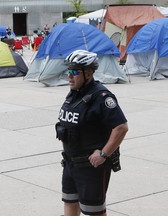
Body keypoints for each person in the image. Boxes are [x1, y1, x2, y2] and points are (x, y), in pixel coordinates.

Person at [55, 50, 128, 216]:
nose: (69, 76)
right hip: (70, 163)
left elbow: (121, 127)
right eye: (68, 71)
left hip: (91, 167)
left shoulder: (101, 97)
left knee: (94, 211)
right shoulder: (74, 94)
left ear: (88, 73)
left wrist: (103, 154)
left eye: (74, 72)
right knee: (70, 201)